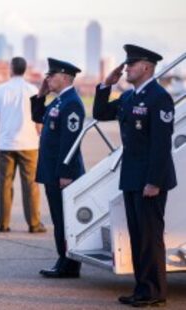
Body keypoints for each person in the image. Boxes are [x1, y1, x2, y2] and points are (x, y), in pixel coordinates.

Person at [93, 44, 176, 307]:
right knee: (137, 236)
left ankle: (155, 292)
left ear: (147, 67)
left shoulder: (159, 97)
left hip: (150, 181)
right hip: (131, 176)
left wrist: (154, 181)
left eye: (132, 64)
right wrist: (106, 85)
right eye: (127, 64)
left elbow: (161, 145)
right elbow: (100, 113)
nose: (126, 67)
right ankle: (142, 289)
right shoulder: (129, 97)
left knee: (150, 237)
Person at [31, 58, 85, 278]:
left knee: (64, 220)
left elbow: (70, 142)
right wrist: (41, 95)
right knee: (58, 218)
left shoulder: (71, 103)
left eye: (51, 76)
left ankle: (68, 264)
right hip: (52, 171)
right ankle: (63, 259)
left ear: (64, 78)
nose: (48, 78)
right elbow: (37, 117)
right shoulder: (59, 101)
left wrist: (65, 173)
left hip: (62, 174)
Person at [0, 56, 46, 233]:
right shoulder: (32, 89)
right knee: (30, 185)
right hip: (29, 143)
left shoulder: (1, 90)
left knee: (5, 184)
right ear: (25, 69)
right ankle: (34, 223)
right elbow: (38, 117)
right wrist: (39, 133)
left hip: (6, 144)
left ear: (11, 69)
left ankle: (3, 223)